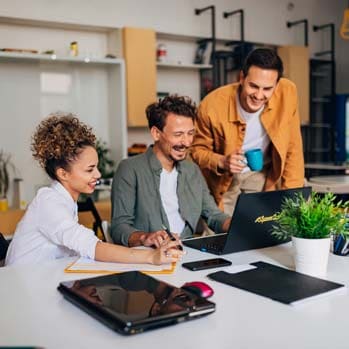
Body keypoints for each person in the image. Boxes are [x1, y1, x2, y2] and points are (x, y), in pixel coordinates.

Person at [5, 114, 182, 266]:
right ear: (63, 173)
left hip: (43, 280)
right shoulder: (48, 202)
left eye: (96, 167)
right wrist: (151, 257)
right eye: (90, 169)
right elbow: (91, 246)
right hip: (23, 287)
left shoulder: (65, 201)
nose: (97, 174)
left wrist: (144, 239)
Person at [191, 48, 304, 214]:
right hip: (224, 181)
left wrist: (292, 199)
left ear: (277, 85)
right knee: (221, 235)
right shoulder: (211, 105)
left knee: (262, 233)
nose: (258, 96)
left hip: (261, 175)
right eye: (253, 86)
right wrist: (222, 161)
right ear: (242, 78)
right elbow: (196, 150)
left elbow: (293, 148)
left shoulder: (288, 92)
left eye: (267, 89)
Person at [111, 95, 231, 247]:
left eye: (190, 133)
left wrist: (237, 224)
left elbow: (214, 215)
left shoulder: (192, 170)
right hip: (148, 257)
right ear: (156, 133)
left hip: (187, 252)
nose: (187, 142)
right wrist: (145, 238)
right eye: (178, 134)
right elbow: (119, 227)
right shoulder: (130, 169)